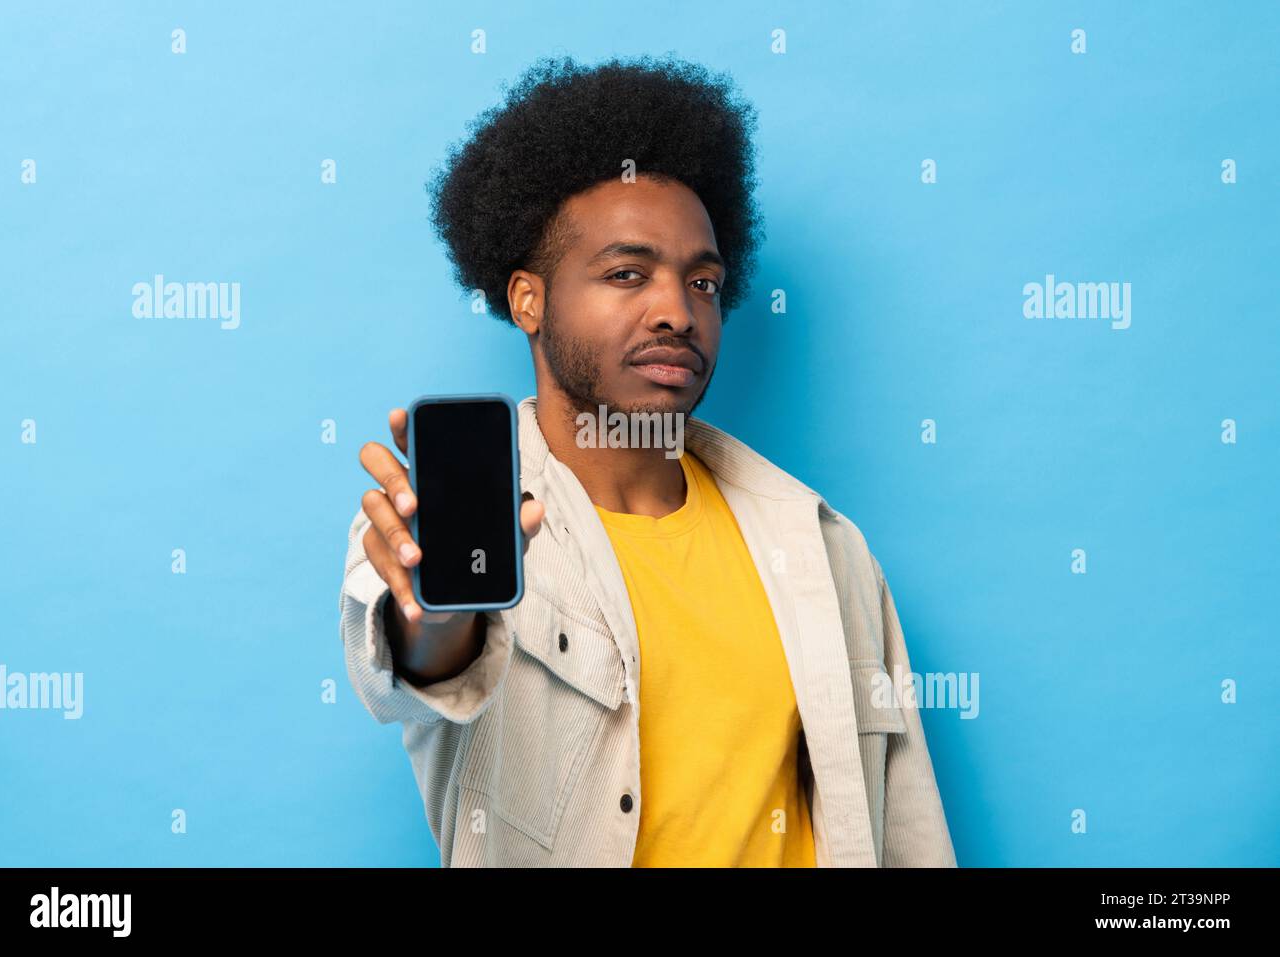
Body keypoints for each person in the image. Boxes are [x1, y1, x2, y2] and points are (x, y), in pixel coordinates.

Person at [339, 53, 957, 867]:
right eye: (627, 273)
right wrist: (440, 618)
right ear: (528, 298)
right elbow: (413, 664)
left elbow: (907, 827)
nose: (677, 311)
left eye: (702, 283)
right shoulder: (441, 521)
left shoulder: (817, 544)